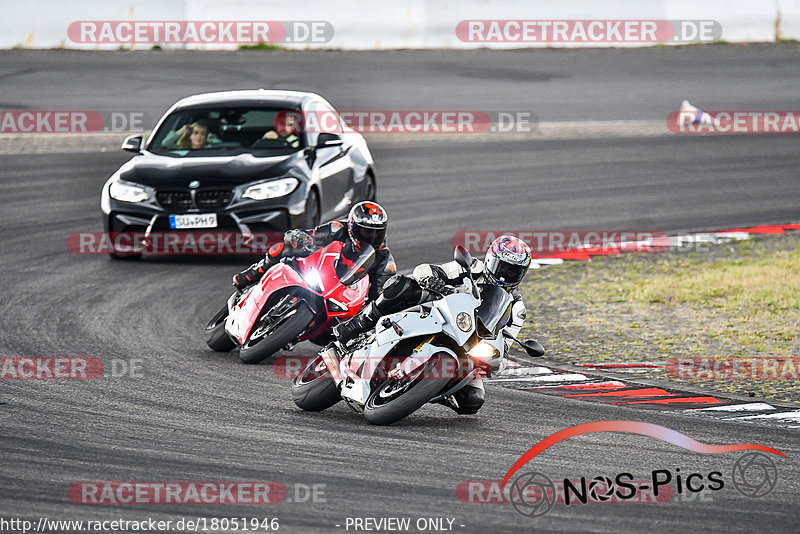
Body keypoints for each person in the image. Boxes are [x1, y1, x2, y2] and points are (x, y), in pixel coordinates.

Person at [333, 235, 532, 415]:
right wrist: (430, 279)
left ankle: (428, 388)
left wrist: (495, 361)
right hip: (436, 313)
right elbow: (425, 269)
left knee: (472, 401)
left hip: (469, 346)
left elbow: (504, 347)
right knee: (402, 287)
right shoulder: (470, 267)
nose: (505, 274)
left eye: (513, 271)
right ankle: (358, 324)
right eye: (502, 267)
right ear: (490, 260)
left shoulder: (517, 309)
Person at [232, 201, 396, 304]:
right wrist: (300, 238)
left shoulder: (384, 259)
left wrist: (377, 304)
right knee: (280, 249)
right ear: (352, 226)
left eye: (376, 232)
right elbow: (310, 235)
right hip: (321, 271)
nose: (370, 237)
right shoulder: (338, 229)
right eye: (365, 231)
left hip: (343, 293)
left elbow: (380, 295)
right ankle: (251, 275)